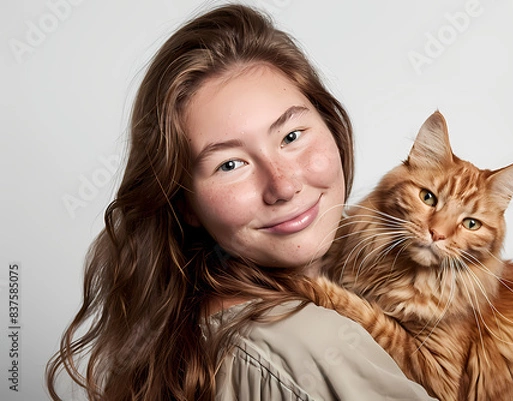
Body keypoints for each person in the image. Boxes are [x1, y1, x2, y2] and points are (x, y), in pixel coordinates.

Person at [46, 4, 436, 400]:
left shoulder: (194, 333)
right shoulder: (312, 344)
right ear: (184, 204)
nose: (282, 186)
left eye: (291, 136)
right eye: (230, 164)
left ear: (331, 127)